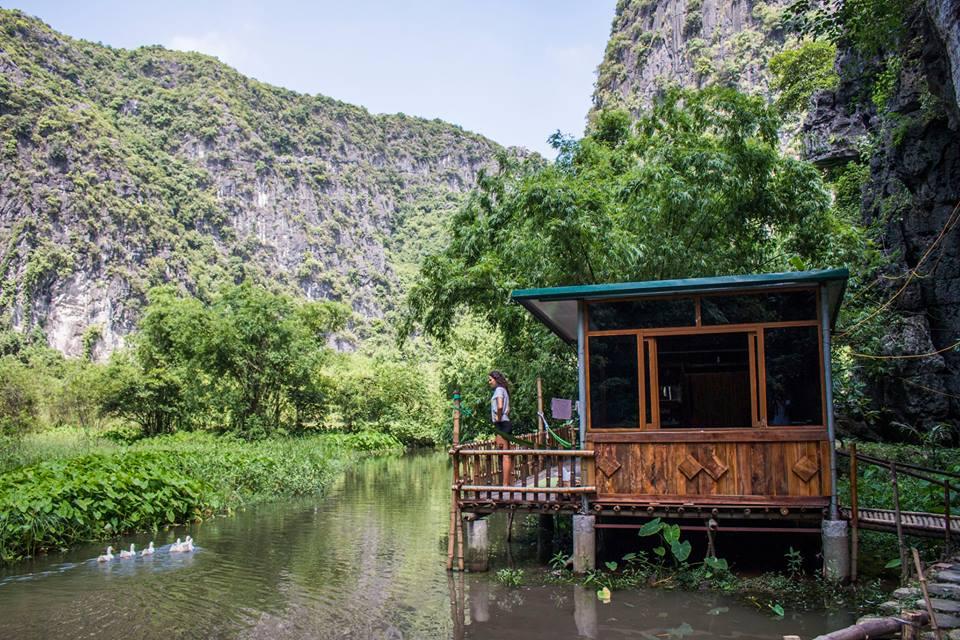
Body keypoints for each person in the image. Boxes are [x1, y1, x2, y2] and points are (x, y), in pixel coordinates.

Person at [488, 370, 512, 485]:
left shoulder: (498, 390)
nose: (489, 382)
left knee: (505, 454)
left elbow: (500, 406)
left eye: (490, 379)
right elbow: (508, 409)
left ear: (496, 379)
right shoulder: (504, 390)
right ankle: (506, 482)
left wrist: (498, 417)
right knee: (503, 452)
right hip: (504, 422)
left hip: (501, 423)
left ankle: (505, 484)